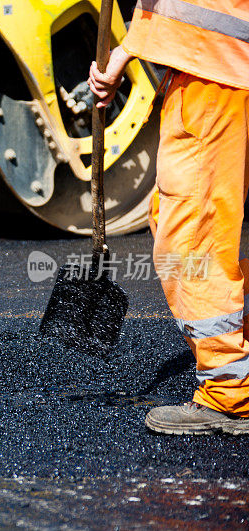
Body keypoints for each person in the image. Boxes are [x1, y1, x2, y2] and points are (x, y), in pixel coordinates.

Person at [89, 0, 249, 435]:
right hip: (229, 64)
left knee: (192, 242)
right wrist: (127, 50)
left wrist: (130, 48)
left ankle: (229, 393)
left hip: (215, 69)